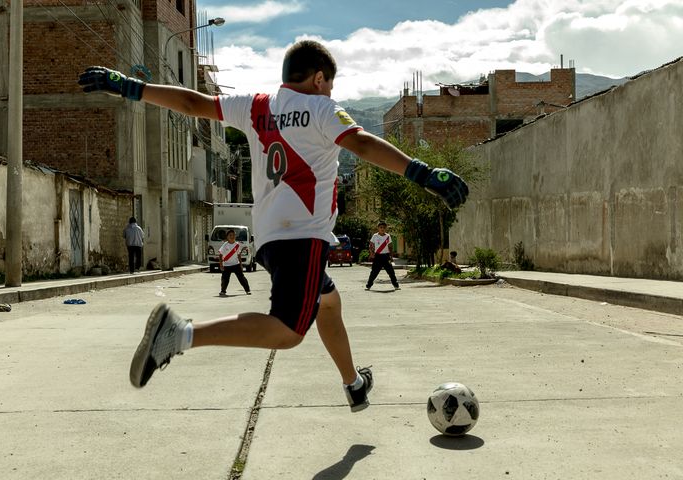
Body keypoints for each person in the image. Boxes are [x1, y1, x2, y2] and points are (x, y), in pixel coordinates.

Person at [78, 40, 468, 412]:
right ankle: (178, 334)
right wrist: (423, 173)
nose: (331, 92)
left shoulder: (254, 105)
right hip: (304, 236)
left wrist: (132, 87)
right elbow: (362, 143)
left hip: (269, 237)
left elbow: (190, 102)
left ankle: (353, 384)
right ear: (319, 79)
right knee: (288, 331)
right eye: (330, 84)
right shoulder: (322, 109)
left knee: (329, 303)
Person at [365, 221, 400, 291]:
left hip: (386, 256)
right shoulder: (375, 236)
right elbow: (371, 245)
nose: (382, 229)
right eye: (381, 227)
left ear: (385, 228)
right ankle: (369, 285)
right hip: (378, 256)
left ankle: (396, 285)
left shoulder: (388, 236)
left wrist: (391, 256)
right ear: (378, 228)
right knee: (374, 272)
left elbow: (390, 246)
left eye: (384, 227)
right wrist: (372, 253)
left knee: (391, 271)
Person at [219, 229, 251, 296]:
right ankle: (223, 291)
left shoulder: (237, 245)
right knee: (225, 279)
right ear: (227, 237)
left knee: (241, 278)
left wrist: (241, 264)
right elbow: (220, 254)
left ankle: (247, 290)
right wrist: (221, 264)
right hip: (227, 265)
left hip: (236, 264)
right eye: (230, 235)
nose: (232, 236)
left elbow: (238, 254)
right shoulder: (225, 245)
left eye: (233, 235)